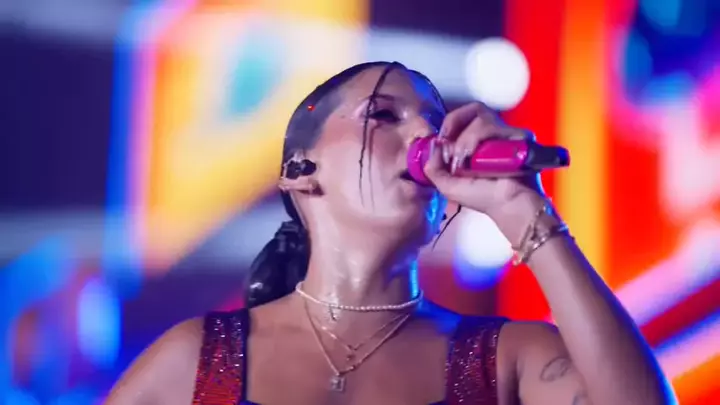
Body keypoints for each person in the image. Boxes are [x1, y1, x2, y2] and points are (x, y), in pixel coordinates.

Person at [105, 62, 676, 405]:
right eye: (382, 115)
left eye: (435, 120)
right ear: (301, 172)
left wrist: (524, 210)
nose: (427, 133)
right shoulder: (196, 359)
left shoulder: (506, 358)